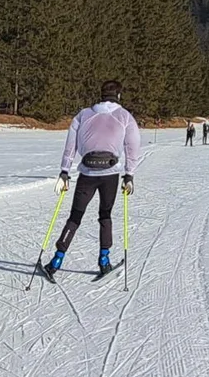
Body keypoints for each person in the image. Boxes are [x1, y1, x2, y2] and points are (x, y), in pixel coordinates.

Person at [43, 80, 142, 279]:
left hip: (87, 174)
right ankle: (104, 261)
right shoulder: (125, 117)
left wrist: (64, 171)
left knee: (75, 217)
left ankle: (56, 261)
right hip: (110, 175)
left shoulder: (83, 115)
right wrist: (129, 174)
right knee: (105, 216)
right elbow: (133, 147)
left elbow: (71, 146)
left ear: (101, 94)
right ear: (119, 96)